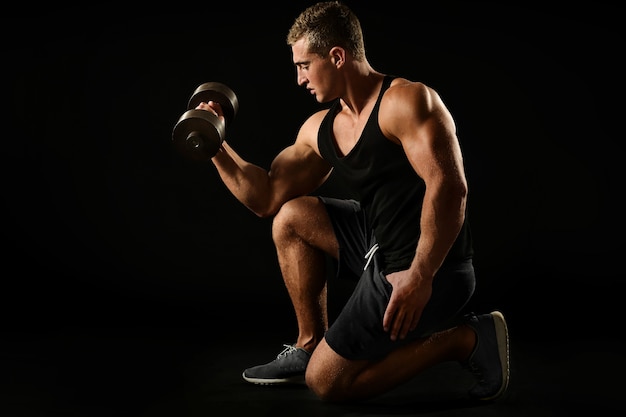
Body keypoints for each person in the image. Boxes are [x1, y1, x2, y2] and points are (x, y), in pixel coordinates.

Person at [196, 1, 509, 403]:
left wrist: (421, 275)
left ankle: (464, 339)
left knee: (327, 383)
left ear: (337, 56)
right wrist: (213, 143)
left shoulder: (407, 103)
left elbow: (449, 189)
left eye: (304, 65)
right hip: (378, 241)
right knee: (290, 218)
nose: (299, 79)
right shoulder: (322, 128)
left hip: (432, 267)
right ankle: (308, 344)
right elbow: (266, 197)